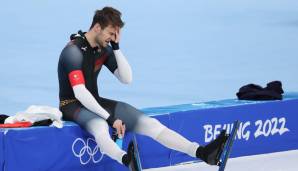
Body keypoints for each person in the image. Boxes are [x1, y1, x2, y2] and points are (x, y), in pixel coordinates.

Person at [58, 6, 227, 169]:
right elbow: (80, 93)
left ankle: (202, 152)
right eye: (110, 33)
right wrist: (110, 119)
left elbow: (126, 79)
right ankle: (126, 160)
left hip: (94, 102)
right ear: (96, 27)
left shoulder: (103, 48)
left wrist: (116, 48)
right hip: (72, 105)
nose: (112, 37)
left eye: (115, 34)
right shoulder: (73, 51)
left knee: (150, 124)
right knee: (101, 126)